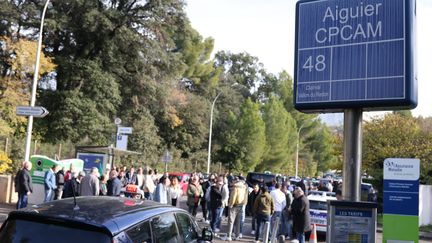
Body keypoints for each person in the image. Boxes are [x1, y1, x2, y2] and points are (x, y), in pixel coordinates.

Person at [227, 176, 248, 241]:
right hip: (241, 205)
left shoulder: (236, 187)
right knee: (238, 221)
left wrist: (230, 204)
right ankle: (237, 236)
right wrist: (244, 203)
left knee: (231, 221)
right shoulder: (245, 187)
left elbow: (233, 196)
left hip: (234, 205)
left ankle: (229, 235)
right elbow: (246, 197)